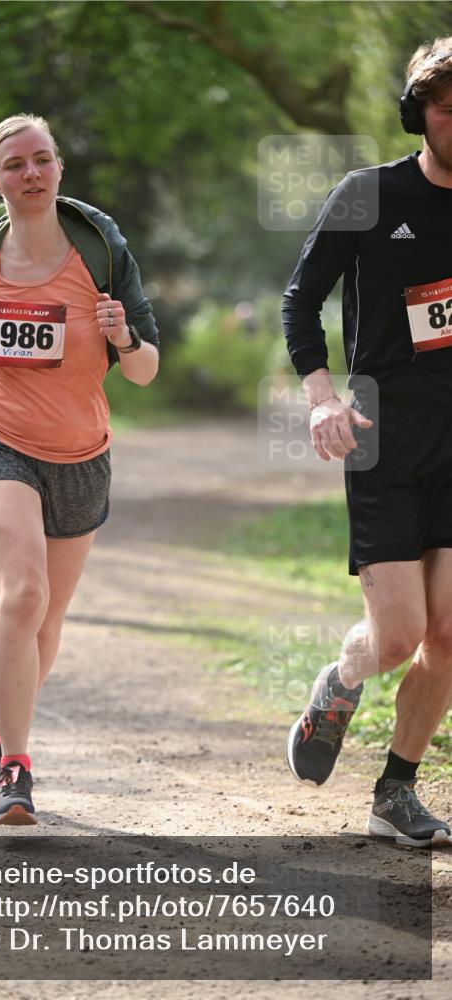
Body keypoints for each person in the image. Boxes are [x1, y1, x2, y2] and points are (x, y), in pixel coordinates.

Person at [0, 113, 159, 825]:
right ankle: (15, 770)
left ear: (57, 167)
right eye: (16, 164)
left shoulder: (100, 244)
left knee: (49, 618)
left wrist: (123, 338)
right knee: (22, 593)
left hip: (81, 454)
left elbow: (147, 371)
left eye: (43, 160)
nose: (32, 174)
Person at [282, 39, 452, 847]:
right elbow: (299, 299)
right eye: (449, 109)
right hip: (384, 436)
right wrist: (320, 396)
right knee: (398, 636)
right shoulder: (368, 194)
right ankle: (341, 679)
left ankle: (395, 789)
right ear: (418, 113)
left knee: (450, 634)